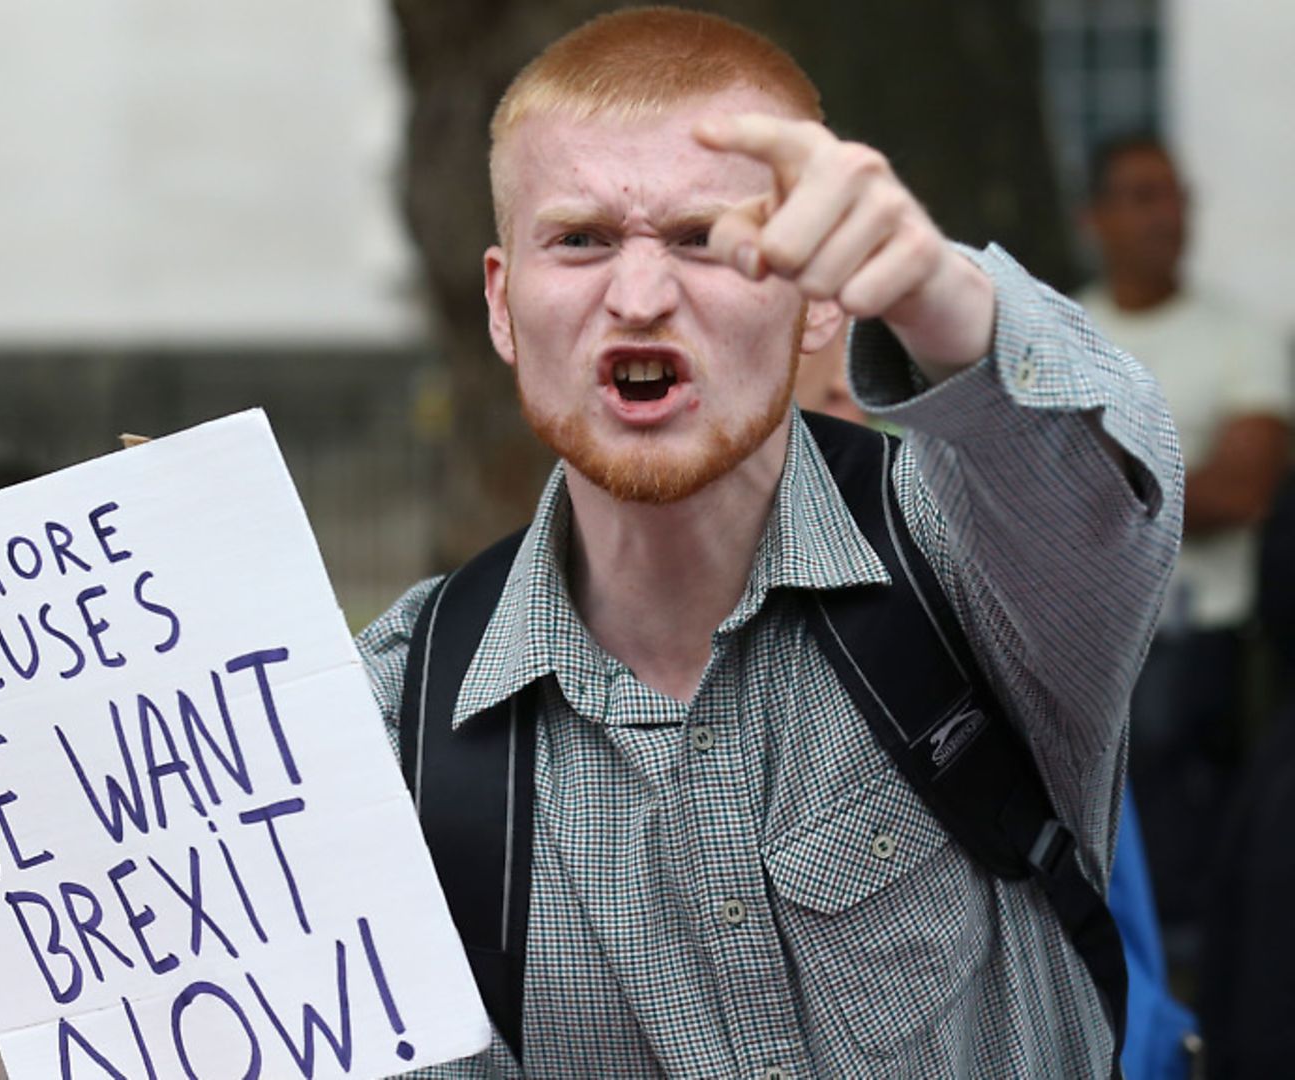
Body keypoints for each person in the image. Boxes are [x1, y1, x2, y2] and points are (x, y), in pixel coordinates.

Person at [358, 8, 1181, 1076]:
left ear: (820, 303)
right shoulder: (395, 716)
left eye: (707, 241)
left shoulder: (965, 571)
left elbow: (1101, 486)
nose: (641, 297)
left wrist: (942, 298)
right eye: (580, 240)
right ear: (503, 304)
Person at [1075, 134, 1290, 960]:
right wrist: (1171, 473)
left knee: (1199, 899)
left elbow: (1244, 490)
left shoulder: (1242, 337)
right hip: (1085, 654)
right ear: (1091, 217)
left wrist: (1089, 473)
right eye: (1139, 195)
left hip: (1206, 659)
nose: (1166, 215)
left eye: (1174, 195)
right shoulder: (1056, 335)